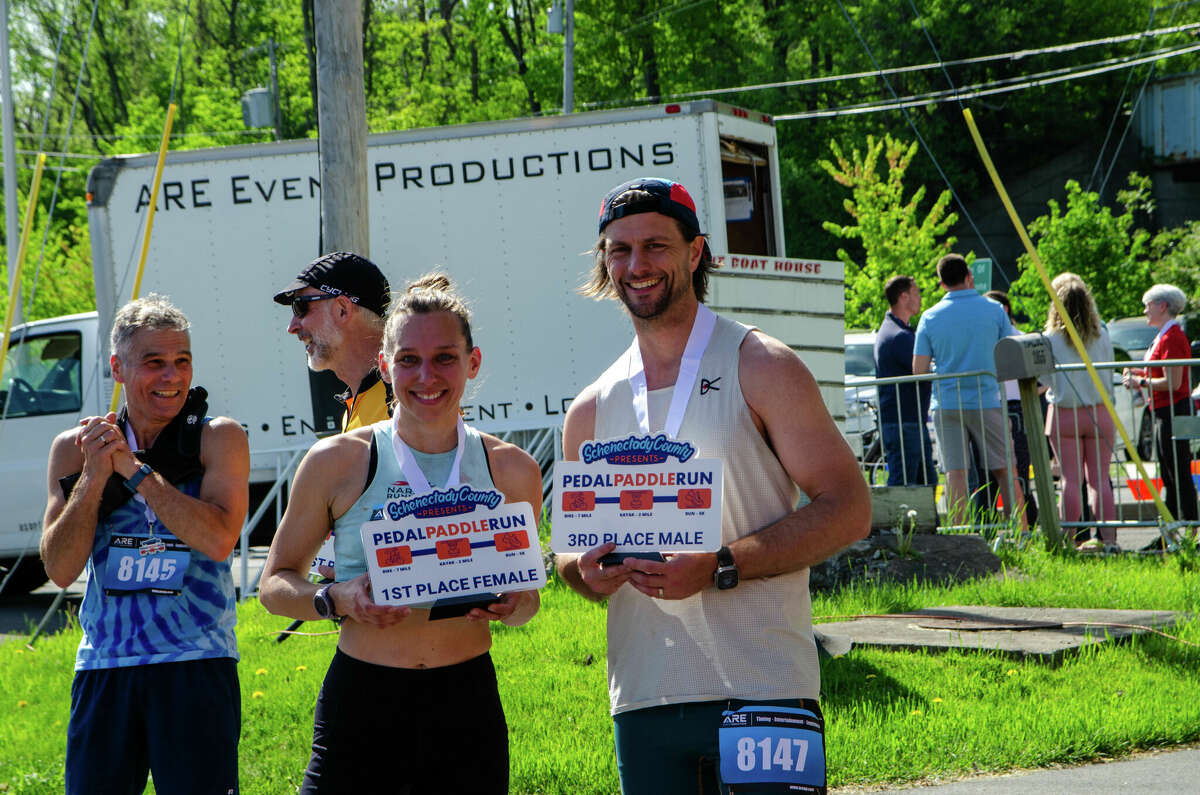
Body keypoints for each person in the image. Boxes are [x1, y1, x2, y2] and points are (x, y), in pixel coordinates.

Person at [555, 177, 870, 795]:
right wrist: (578, 572)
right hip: (646, 698)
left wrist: (722, 564)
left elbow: (849, 509)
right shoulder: (590, 408)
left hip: (765, 687)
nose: (636, 265)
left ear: (696, 253)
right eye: (619, 250)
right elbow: (571, 552)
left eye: (655, 245)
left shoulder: (761, 364)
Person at [259, 273, 543, 794]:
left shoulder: (514, 470)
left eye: (445, 358)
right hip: (363, 701)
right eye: (408, 359)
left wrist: (513, 605)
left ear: (472, 363)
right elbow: (275, 585)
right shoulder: (336, 462)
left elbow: (527, 603)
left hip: (466, 704)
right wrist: (336, 597)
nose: (426, 375)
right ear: (385, 366)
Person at [40, 294, 250, 795]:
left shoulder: (217, 438)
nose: (171, 377)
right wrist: (93, 477)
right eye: (153, 363)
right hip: (106, 665)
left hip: (195, 661)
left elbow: (219, 540)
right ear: (117, 367)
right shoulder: (77, 447)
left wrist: (135, 473)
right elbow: (60, 569)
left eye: (182, 362)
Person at [913, 254, 1026, 530]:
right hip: (986, 398)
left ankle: (959, 535)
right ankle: (1021, 534)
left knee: (955, 473)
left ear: (941, 284)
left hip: (947, 402)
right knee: (1005, 471)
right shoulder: (995, 310)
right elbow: (1009, 352)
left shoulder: (929, 317)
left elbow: (918, 369)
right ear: (969, 277)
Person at [274, 250, 392, 432]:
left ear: (342, 309)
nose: (291, 327)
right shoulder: (356, 405)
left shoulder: (404, 400)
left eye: (300, 307)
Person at [1041, 274, 1118, 551]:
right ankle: (1109, 540)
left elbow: (1044, 379)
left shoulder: (1050, 339)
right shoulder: (1102, 334)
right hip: (1100, 411)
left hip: (1064, 412)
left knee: (1070, 480)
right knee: (1099, 479)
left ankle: (1068, 539)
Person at [1122, 283, 1198, 527]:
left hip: (1172, 411)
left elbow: (1173, 383)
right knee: (1169, 473)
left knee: (1178, 473)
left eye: (1148, 305)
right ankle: (1176, 527)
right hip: (1164, 411)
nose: (1145, 311)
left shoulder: (1172, 337)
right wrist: (1139, 373)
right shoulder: (1165, 335)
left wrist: (1140, 381)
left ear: (1163, 306)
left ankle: (1189, 527)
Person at [984, 290, 1039, 527]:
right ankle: (1018, 525)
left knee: (1012, 473)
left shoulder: (1018, 338)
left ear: (1004, 310)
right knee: (1007, 473)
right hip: (998, 407)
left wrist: (1023, 393)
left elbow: (1043, 382)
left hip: (1011, 409)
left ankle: (1022, 524)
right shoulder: (1004, 338)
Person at [874, 275, 935, 486]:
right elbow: (923, 368)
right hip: (904, 423)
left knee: (923, 482)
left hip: (907, 421)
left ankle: (923, 520)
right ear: (903, 296)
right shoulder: (899, 335)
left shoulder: (895, 330)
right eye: (916, 293)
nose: (920, 298)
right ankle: (896, 521)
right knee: (906, 485)